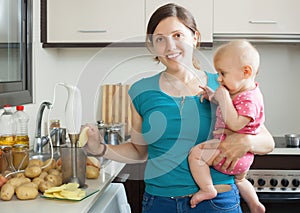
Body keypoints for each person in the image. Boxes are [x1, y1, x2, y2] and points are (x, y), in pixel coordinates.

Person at [83, 3, 274, 213]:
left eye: (177, 35)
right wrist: (99, 149)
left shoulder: (224, 85)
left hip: (217, 203)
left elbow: (267, 142)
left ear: (195, 37)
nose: (170, 46)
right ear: (153, 45)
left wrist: (247, 140)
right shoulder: (141, 91)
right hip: (160, 203)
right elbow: (139, 151)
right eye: (160, 39)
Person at [188, 40, 266, 213]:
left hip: (228, 151)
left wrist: (222, 97)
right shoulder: (243, 93)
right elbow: (229, 105)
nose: (219, 78)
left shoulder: (249, 98)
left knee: (196, 156)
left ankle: (207, 188)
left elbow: (235, 123)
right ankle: (254, 203)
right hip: (243, 159)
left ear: (246, 72)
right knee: (240, 181)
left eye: (223, 73)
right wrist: (214, 96)